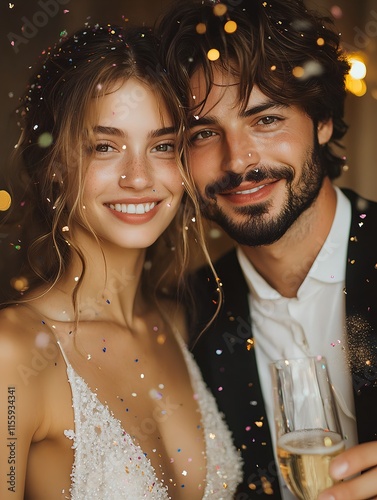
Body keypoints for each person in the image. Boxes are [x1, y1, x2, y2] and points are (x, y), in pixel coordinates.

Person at [0, 23, 243, 499]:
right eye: (105, 147)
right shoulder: (16, 353)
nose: (138, 177)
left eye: (162, 146)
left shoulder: (180, 321)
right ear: (54, 166)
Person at [157, 0, 377, 498]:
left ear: (321, 120)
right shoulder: (187, 314)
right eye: (205, 133)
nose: (238, 161)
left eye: (266, 120)